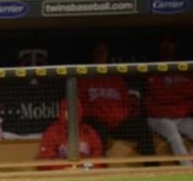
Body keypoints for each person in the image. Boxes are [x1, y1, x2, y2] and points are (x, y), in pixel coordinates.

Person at [78, 42, 155, 159]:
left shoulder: (115, 76)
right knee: (98, 131)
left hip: (117, 124)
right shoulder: (85, 76)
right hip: (97, 123)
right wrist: (99, 116)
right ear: (93, 54)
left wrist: (128, 112)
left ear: (108, 54)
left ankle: (151, 165)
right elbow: (79, 104)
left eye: (104, 52)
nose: (101, 54)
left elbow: (126, 100)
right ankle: (101, 166)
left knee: (142, 128)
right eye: (98, 51)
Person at [146, 37, 193, 166]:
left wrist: (173, 93)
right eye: (164, 44)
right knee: (174, 136)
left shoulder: (183, 69)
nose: (167, 48)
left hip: (180, 117)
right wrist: (182, 95)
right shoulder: (153, 68)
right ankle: (188, 170)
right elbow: (161, 96)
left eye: (170, 44)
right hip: (158, 117)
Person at [38, 99, 103, 170]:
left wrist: (84, 168)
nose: (72, 115)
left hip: (86, 173)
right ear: (63, 112)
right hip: (62, 174)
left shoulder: (89, 132)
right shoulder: (52, 133)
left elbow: (99, 160)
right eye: (68, 111)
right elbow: (46, 163)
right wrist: (67, 168)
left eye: (75, 111)